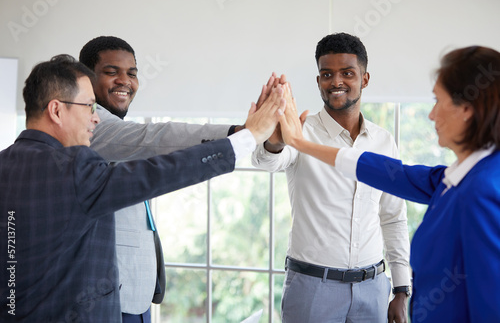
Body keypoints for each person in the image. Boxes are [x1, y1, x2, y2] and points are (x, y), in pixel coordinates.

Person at [0, 54, 285, 322]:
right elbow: (157, 173)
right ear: (56, 110)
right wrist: (247, 138)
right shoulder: (76, 168)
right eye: (89, 106)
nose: (96, 118)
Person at [278, 45, 500, 322]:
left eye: (437, 101)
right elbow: (388, 172)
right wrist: (299, 143)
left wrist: (400, 289)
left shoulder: (481, 191)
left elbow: (491, 303)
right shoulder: (455, 179)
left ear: (466, 109)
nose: (431, 114)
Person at [78, 36, 286, 322]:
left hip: (134, 293)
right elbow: (152, 138)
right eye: (112, 72)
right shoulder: (91, 124)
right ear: (86, 79)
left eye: (132, 73)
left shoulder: (112, 127)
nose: (125, 81)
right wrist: (240, 132)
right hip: (108, 297)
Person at [252, 33, 411, 323]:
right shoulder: (300, 132)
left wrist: (401, 288)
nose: (336, 82)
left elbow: (393, 216)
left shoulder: (383, 142)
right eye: (327, 74)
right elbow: (268, 160)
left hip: (373, 289)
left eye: (347, 73)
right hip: (312, 289)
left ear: (364, 79)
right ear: (318, 81)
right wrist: (274, 141)